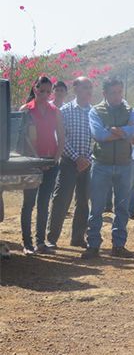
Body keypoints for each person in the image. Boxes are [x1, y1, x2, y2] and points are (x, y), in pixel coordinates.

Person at [82, 77, 134, 259]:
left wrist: (112, 130)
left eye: (119, 92)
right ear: (104, 94)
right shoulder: (95, 111)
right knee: (96, 207)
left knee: (122, 207)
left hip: (124, 164)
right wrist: (122, 132)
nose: (117, 96)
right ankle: (93, 245)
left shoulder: (130, 110)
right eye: (113, 92)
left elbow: (133, 132)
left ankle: (119, 245)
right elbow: (98, 135)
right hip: (101, 164)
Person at [18, 76, 65, 255]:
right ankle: (27, 244)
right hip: (30, 164)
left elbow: (61, 137)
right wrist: (34, 160)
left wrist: (55, 159)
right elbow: (21, 140)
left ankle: (40, 243)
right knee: (28, 203)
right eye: (41, 90)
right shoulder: (26, 110)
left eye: (48, 91)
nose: (44, 94)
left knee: (44, 203)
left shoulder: (55, 111)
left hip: (50, 162)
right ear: (35, 89)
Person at [46, 77, 94, 249]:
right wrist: (76, 158)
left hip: (87, 164)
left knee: (83, 201)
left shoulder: (93, 113)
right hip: (68, 162)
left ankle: (78, 238)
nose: (88, 91)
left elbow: (95, 140)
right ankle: (51, 239)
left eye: (90, 87)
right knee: (61, 200)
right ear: (75, 90)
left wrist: (86, 159)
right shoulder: (65, 111)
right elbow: (61, 138)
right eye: (84, 87)